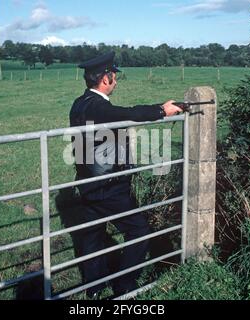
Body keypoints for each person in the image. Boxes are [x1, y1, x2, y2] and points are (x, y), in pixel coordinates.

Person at [69, 52, 182, 298]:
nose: (116, 82)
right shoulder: (99, 107)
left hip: (87, 182)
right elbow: (127, 114)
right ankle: (124, 285)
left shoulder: (79, 103)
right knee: (138, 230)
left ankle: (94, 289)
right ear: (105, 78)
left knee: (92, 236)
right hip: (109, 186)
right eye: (114, 76)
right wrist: (162, 110)